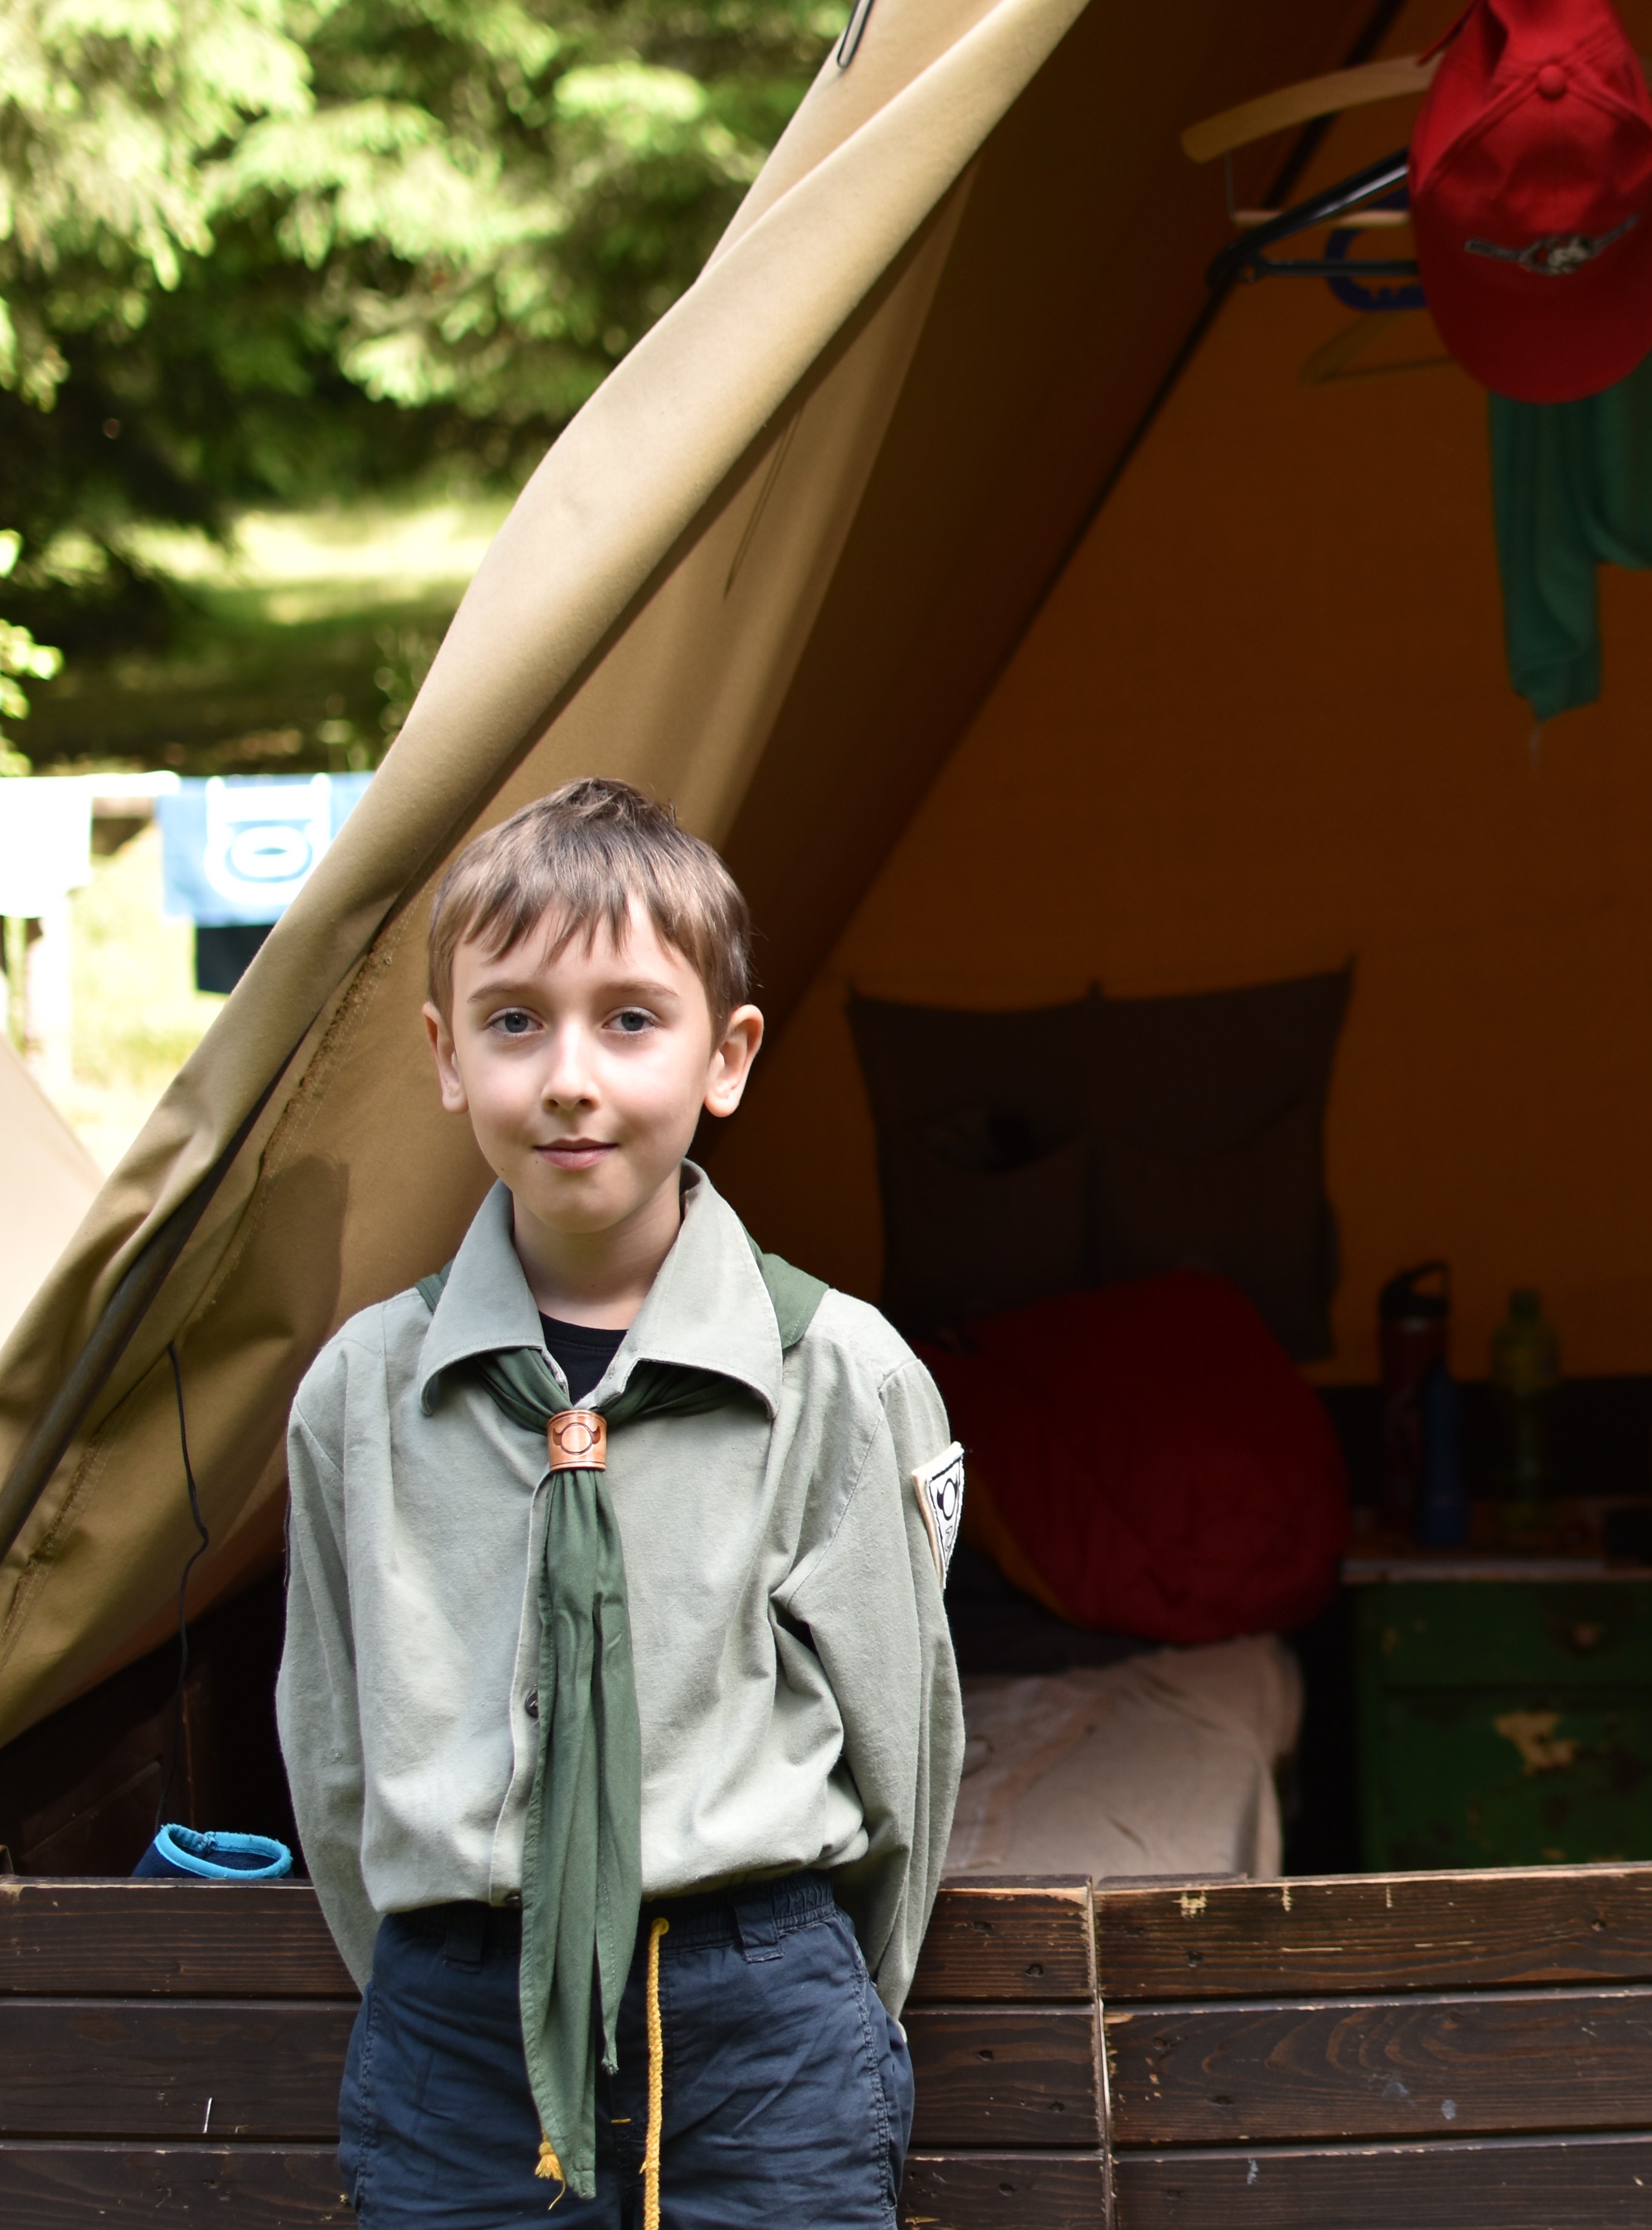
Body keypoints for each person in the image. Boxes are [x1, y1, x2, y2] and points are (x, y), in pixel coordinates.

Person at [278, 778, 965, 2230]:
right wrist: (449, 1970)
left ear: (728, 1057)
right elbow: (334, 1757)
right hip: (459, 2032)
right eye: (514, 1021)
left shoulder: (836, 1375)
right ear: (447, 1056)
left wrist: (826, 2008)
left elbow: (906, 1755)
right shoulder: (362, 1396)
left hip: (762, 2034)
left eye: (632, 1019)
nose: (570, 1076)